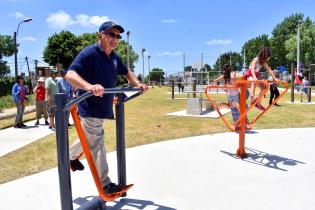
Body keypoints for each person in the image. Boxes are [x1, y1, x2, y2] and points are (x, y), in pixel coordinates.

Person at [65, 20, 148, 195]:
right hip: (90, 107)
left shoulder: (114, 58)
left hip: (102, 109)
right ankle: (105, 184)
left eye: (118, 36)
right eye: (111, 34)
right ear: (100, 36)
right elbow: (70, 75)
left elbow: (127, 72)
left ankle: (69, 156)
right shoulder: (90, 53)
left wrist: (137, 83)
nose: (115, 39)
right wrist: (89, 87)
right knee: (97, 141)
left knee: (89, 138)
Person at [211, 64, 251, 130]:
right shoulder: (233, 75)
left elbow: (215, 80)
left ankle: (220, 104)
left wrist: (212, 84)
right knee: (240, 109)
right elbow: (238, 81)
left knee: (230, 106)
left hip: (230, 95)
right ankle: (246, 122)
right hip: (235, 94)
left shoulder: (225, 76)